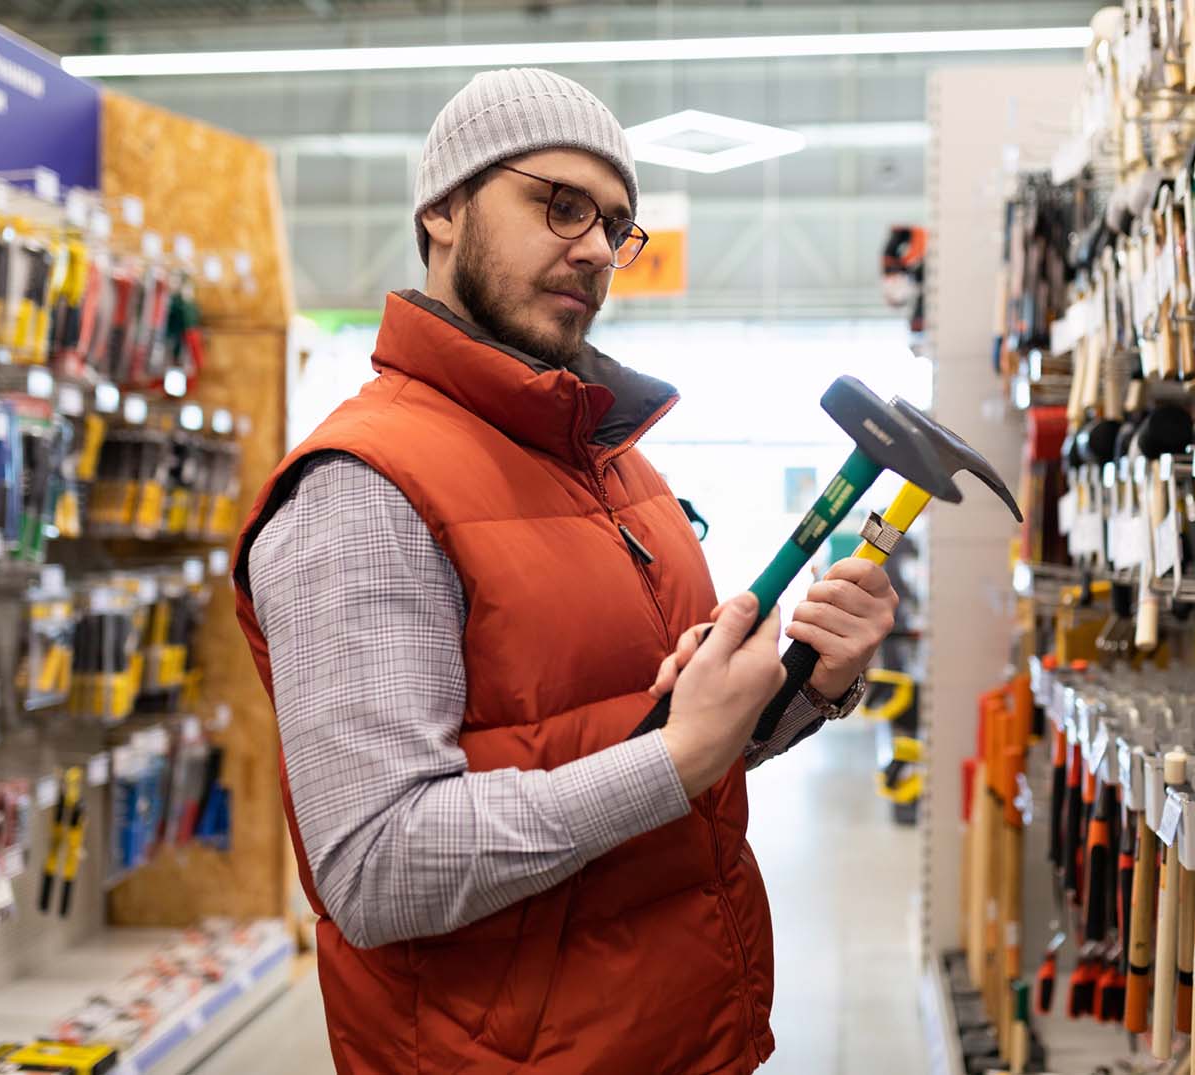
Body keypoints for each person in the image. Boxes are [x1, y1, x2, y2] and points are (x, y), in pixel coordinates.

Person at [232, 67, 900, 1075]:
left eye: (614, 223)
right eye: (558, 204)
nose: (593, 246)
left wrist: (810, 684)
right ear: (444, 209)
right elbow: (374, 867)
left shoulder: (612, 461)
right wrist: (675, 760)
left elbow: (662, 742)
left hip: (682, 1035)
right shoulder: (363, 490)